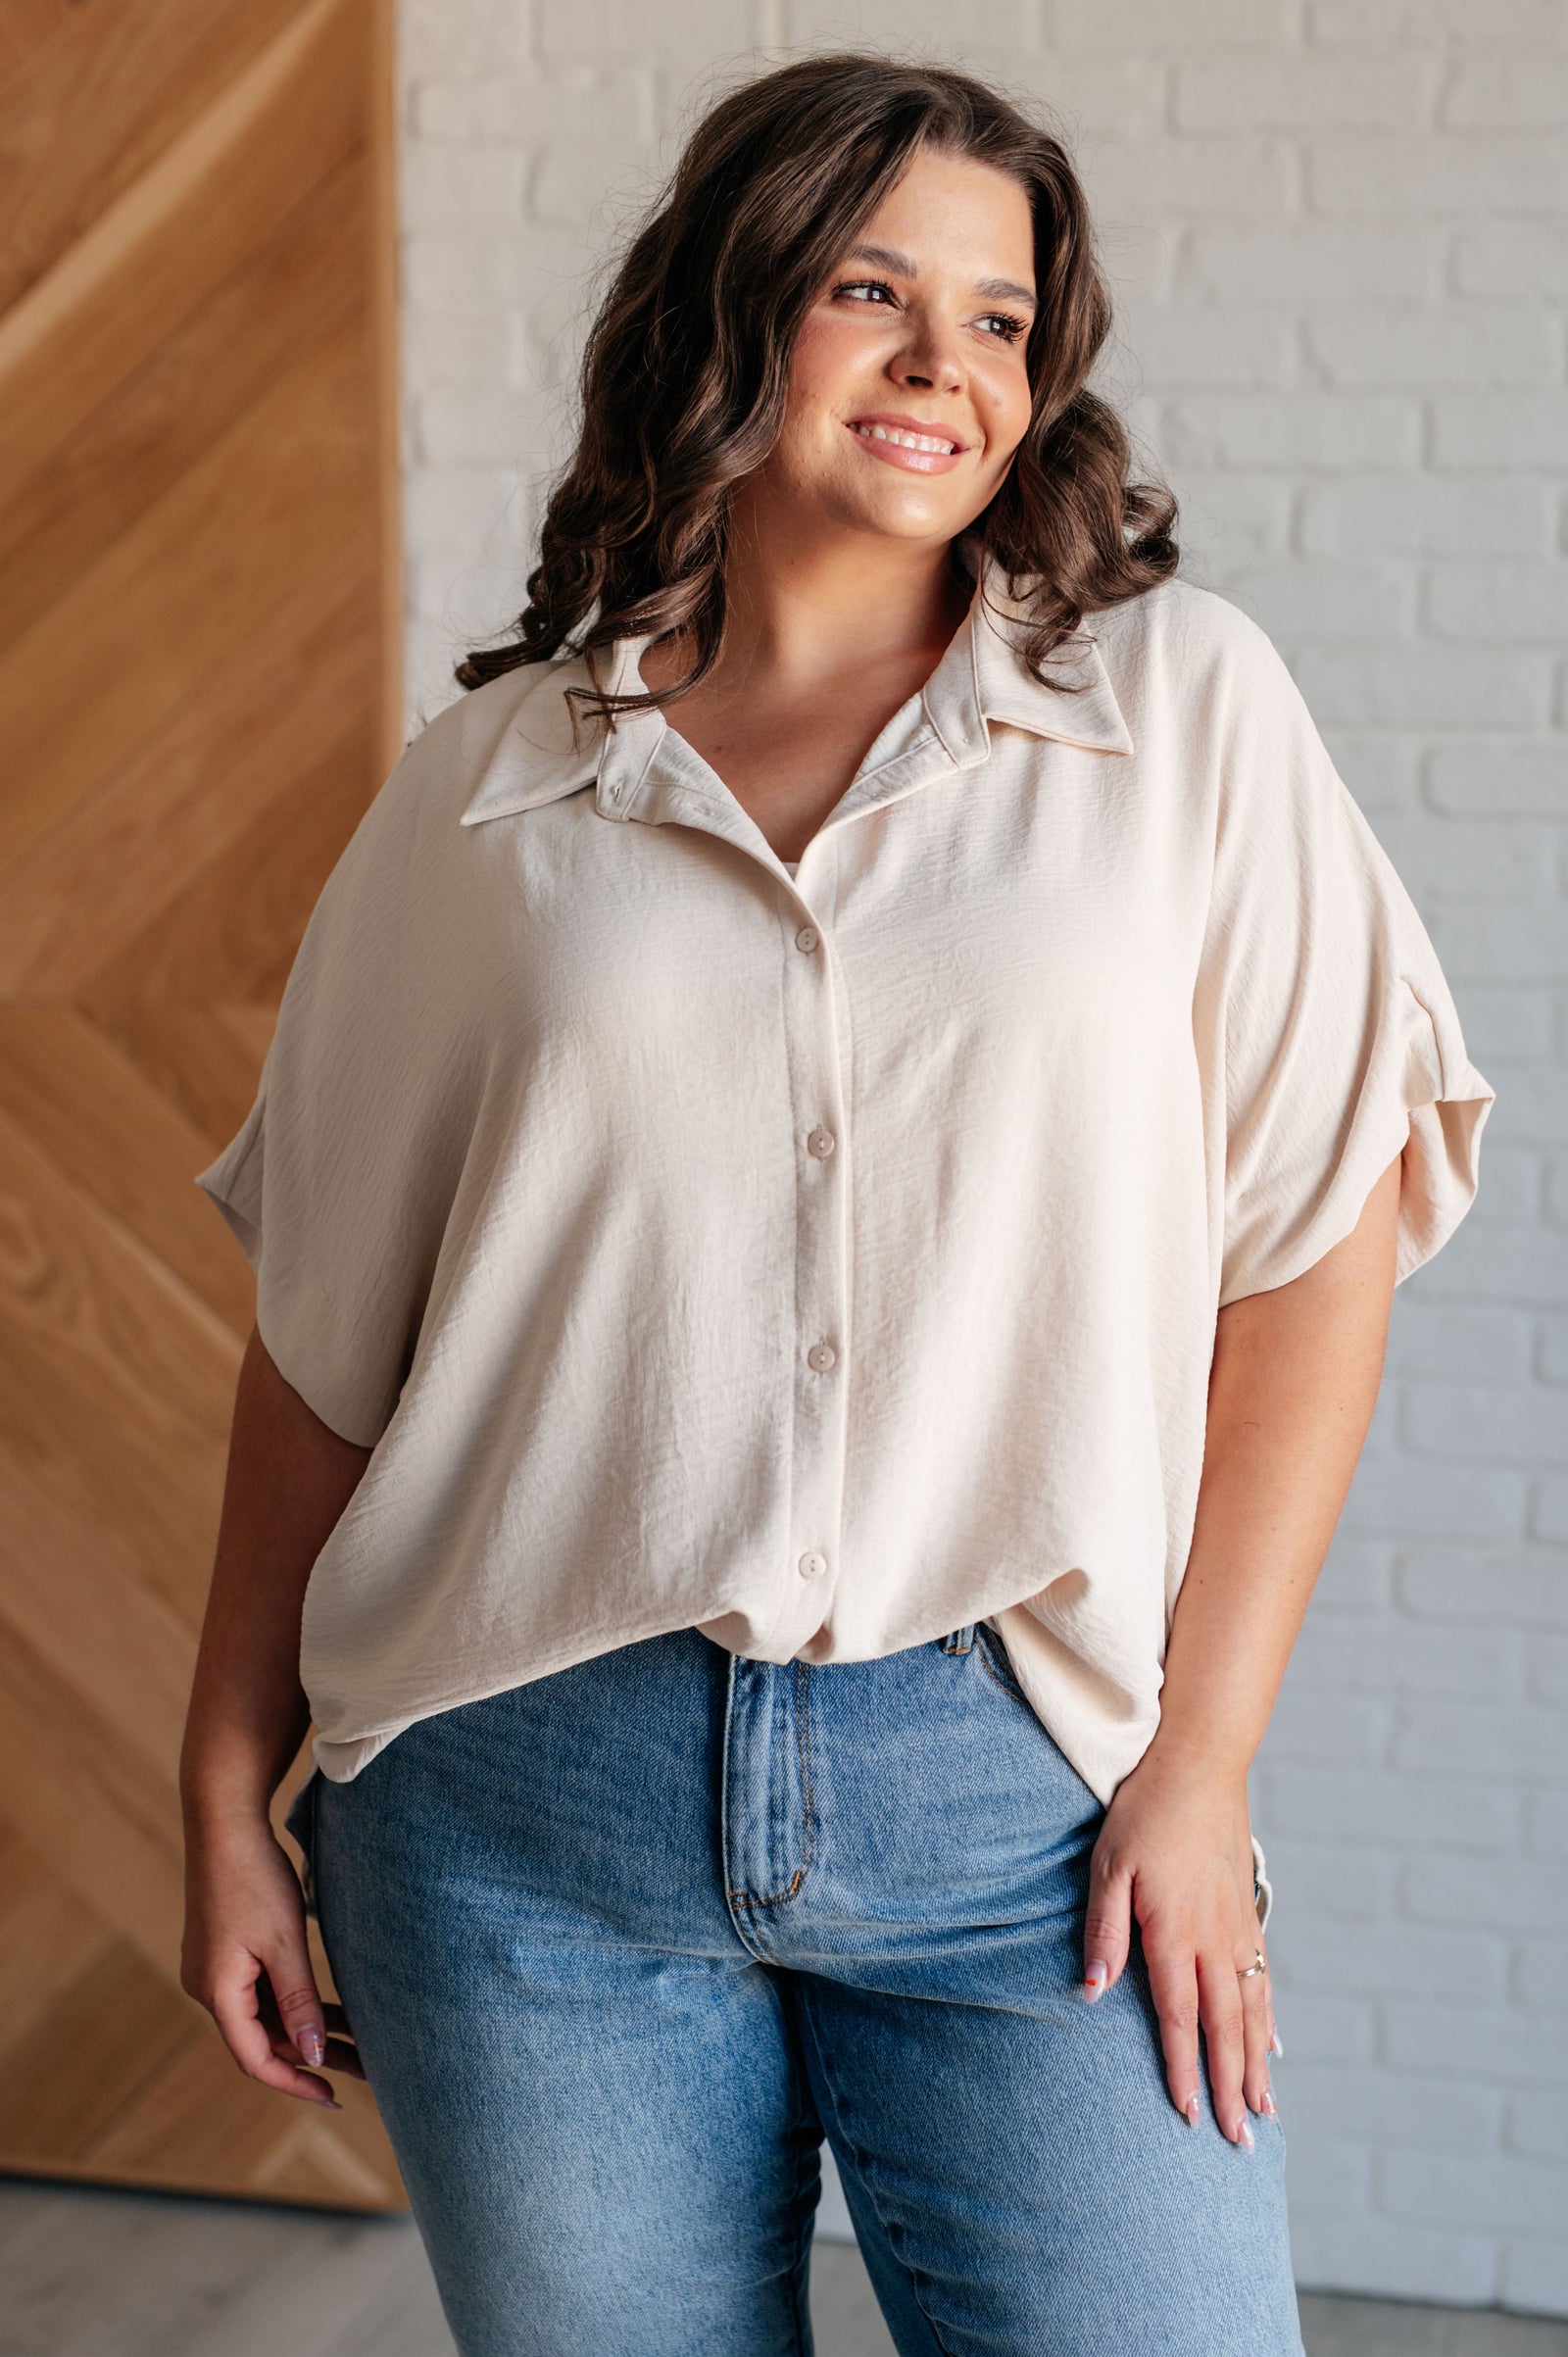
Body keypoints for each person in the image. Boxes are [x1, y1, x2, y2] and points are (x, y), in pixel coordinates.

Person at [178, 52, 1494, 2357]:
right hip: (518, 1797)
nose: (939, 366)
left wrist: (1195, 1770)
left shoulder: (1177, 721)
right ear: (729, 305)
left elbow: (1308, 1257)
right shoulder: (493, 787)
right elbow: (335, 1332)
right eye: (868, 288)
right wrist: (217, 1779)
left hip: (1022, 1803)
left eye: (998, 317)